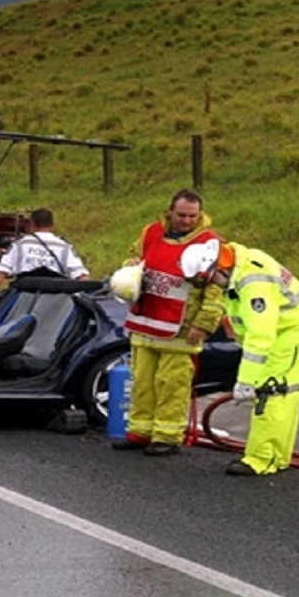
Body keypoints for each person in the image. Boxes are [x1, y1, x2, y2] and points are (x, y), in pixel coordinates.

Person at [180, 239, 299, 476]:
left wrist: (246, 381)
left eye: (207, 279)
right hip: (286, 330)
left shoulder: (253, 282)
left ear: (217, 268)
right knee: (282, 396)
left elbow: (261, 335)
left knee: (270, 393)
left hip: (289, 334)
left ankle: (261, 459)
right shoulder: (240, 268)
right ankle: (277, 457)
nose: (209, 285)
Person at [113, 189, 225, 456]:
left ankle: (166, 435)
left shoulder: (210, 244)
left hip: (181, 329)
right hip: (146, 320)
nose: (186, 221)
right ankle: (139, 431)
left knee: (171, 385)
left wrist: (203, 324)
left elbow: (215, 292)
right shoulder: (150, 233)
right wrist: (129, 270)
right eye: (181, 215)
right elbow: (135, 259)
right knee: (142, 382)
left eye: (192, 216)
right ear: (170, 211)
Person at [0, 208, 89, 292]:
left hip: (23, 296)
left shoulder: (19, 245)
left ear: (31, 224)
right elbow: (81, 275)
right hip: (55, 300)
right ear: (52, 225)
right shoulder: (64, 247)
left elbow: (1, 272)